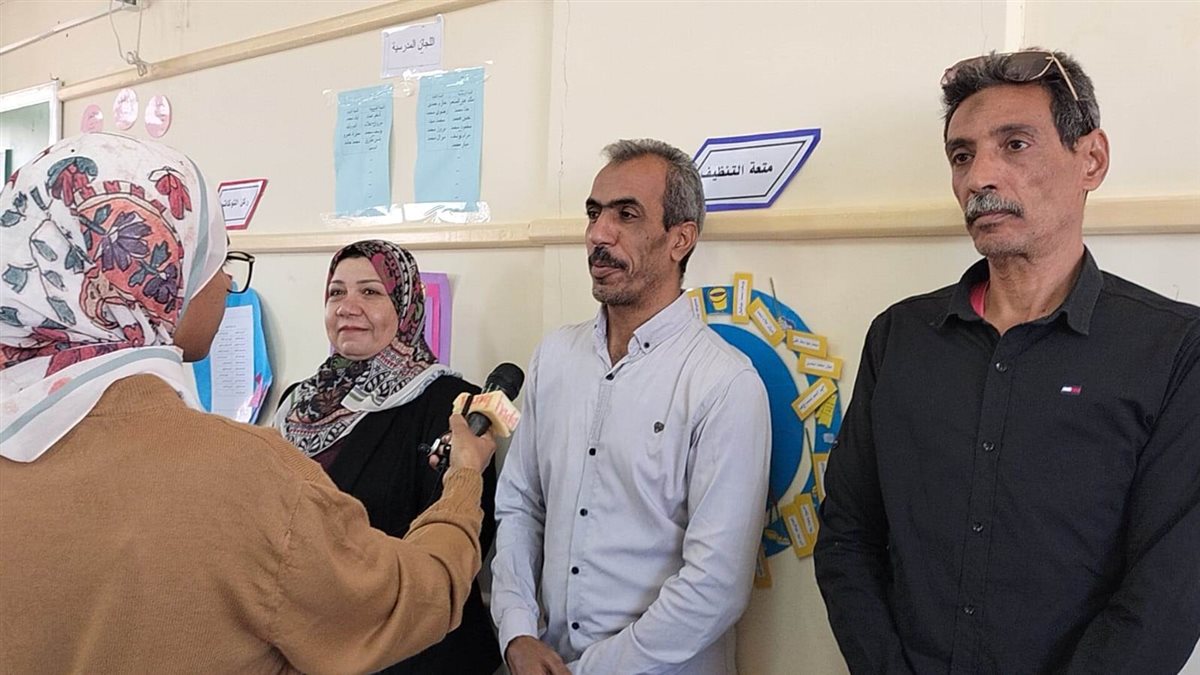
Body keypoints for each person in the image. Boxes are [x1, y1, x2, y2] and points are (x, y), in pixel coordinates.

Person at [0, 133, 495, 674]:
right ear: (152, 283)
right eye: (213, 260)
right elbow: (406, 596)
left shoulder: (443, 400)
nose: (229, 281)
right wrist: (463, 481)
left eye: (371, 292)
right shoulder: (252, 461)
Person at [814, 49, 1200, 673]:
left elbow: (1169, 591)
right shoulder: (900, 337)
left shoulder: (1174, 348)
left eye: (1015, 145)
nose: (979, 178)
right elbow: (846, 538)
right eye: (961, 156)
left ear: (1091, 160)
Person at [491, 138, 771, 674]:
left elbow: (715, 584)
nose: (599, 234)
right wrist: (517, 631)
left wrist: (586, 670)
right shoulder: (556, 356)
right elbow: (521, 504)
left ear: (680, 239)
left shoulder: (724, 383)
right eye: (594, 213)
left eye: (626, 215)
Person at [274, 239, 500, 675]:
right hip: (312, 646)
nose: (348, 307)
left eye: (370, 292)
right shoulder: (296, 404)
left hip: (414, 653)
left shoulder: (452, 404)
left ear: (405, 306)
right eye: (336, 292)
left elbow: (462, 538)